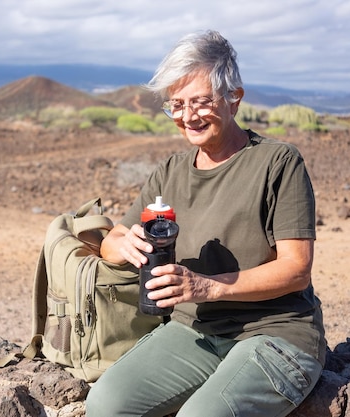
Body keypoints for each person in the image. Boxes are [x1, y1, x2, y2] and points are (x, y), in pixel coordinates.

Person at [85, 29, 326, 417]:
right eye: (176, 105)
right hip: (194, 332)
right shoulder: (170, 172)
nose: (188, 116)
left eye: (200, 101)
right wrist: (122, 245)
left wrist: (206, 286)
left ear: (234, 98)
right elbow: (114, 238)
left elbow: (296, 270)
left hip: (276, 333)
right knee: (104, 404)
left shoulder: (278, 162)